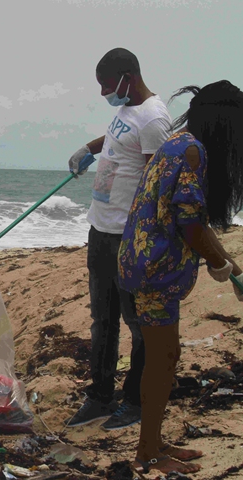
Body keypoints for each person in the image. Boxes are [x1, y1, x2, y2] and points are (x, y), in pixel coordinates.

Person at [118, 80, 243, 474]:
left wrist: (232, 267)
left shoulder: (180, 143)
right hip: (154, 272)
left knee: (165, 357)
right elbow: (190, 225)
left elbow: (195, 221)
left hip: (145, 265)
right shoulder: (191, 152)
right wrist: (221, 266)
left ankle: (153, 440)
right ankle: (148, 454)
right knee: (163, 359)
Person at [65, 48, 171, 430]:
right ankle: (100, 397)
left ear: (128, 77)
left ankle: (135, 402)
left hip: (129, 237)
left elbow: (160, 184)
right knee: (102, 320)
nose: (103, 93)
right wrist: (89, 150)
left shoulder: (155, 119)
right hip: (100, 230)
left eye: (107, 86)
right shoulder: (127, 110)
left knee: (136, 323)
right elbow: (115, 138)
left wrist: (150, 240)